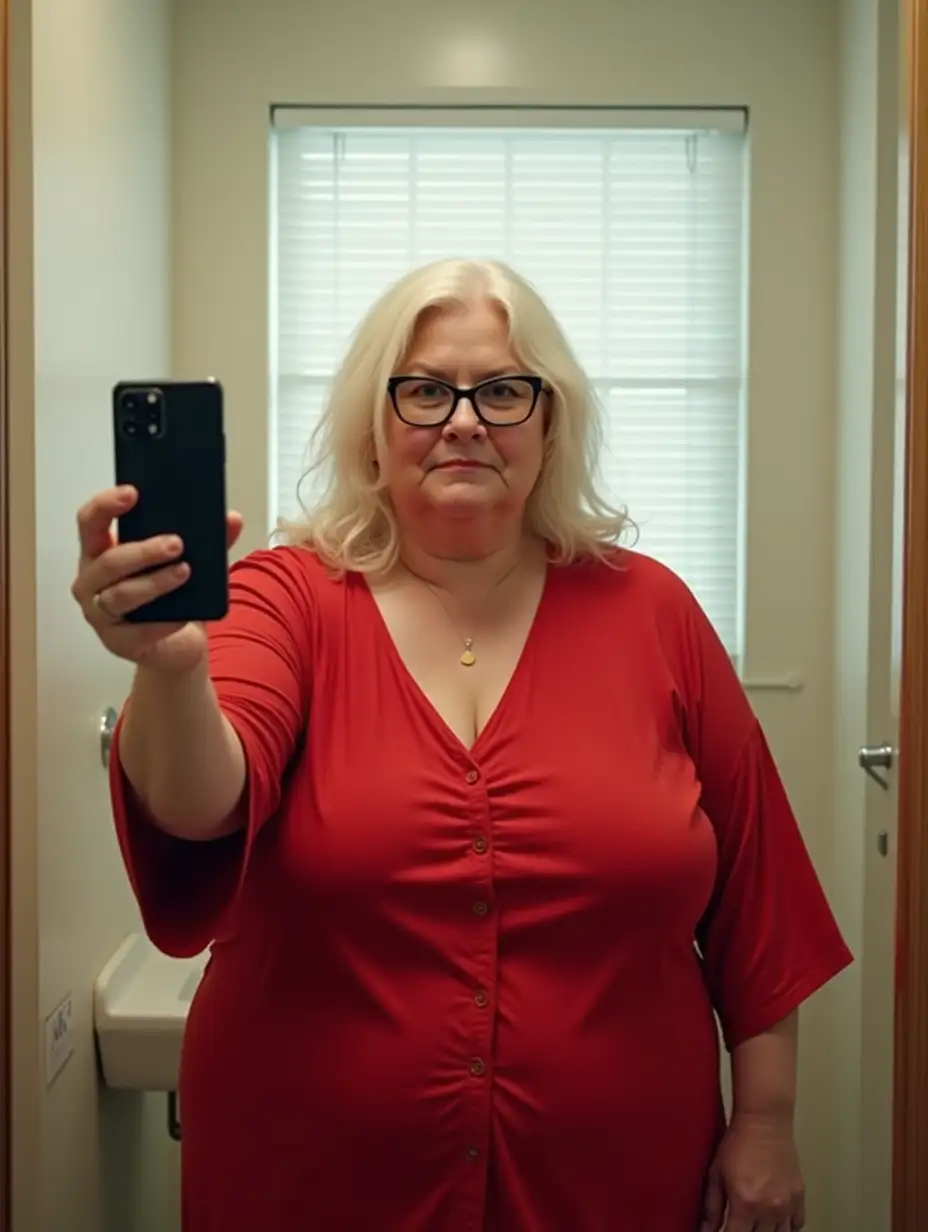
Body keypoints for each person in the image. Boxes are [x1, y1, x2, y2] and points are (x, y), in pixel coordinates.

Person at [72, 258, 852, 1232]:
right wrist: (171, 667)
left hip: (618, 1185)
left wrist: (767, 1121)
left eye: (503, 389)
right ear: (373, 422)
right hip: (308, 1182)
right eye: (427, 388)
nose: (466, 418)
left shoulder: (653, 611)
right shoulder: (284, 596)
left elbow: (758, 905)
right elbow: (198, 802)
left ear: (549, 423)